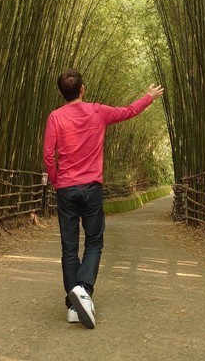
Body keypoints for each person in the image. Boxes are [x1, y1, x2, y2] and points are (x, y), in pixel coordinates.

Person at [43, 68, 164, 329]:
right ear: (83, 89)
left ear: (60, 93)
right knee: (95, 241)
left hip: (65, 189)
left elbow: (47, 156)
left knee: (69, 247)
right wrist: (148, 97)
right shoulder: (97, 111)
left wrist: (56, 180)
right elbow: (128, 111)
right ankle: (83, 290)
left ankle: (74, 302)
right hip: (91, 188)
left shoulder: (55, 117)